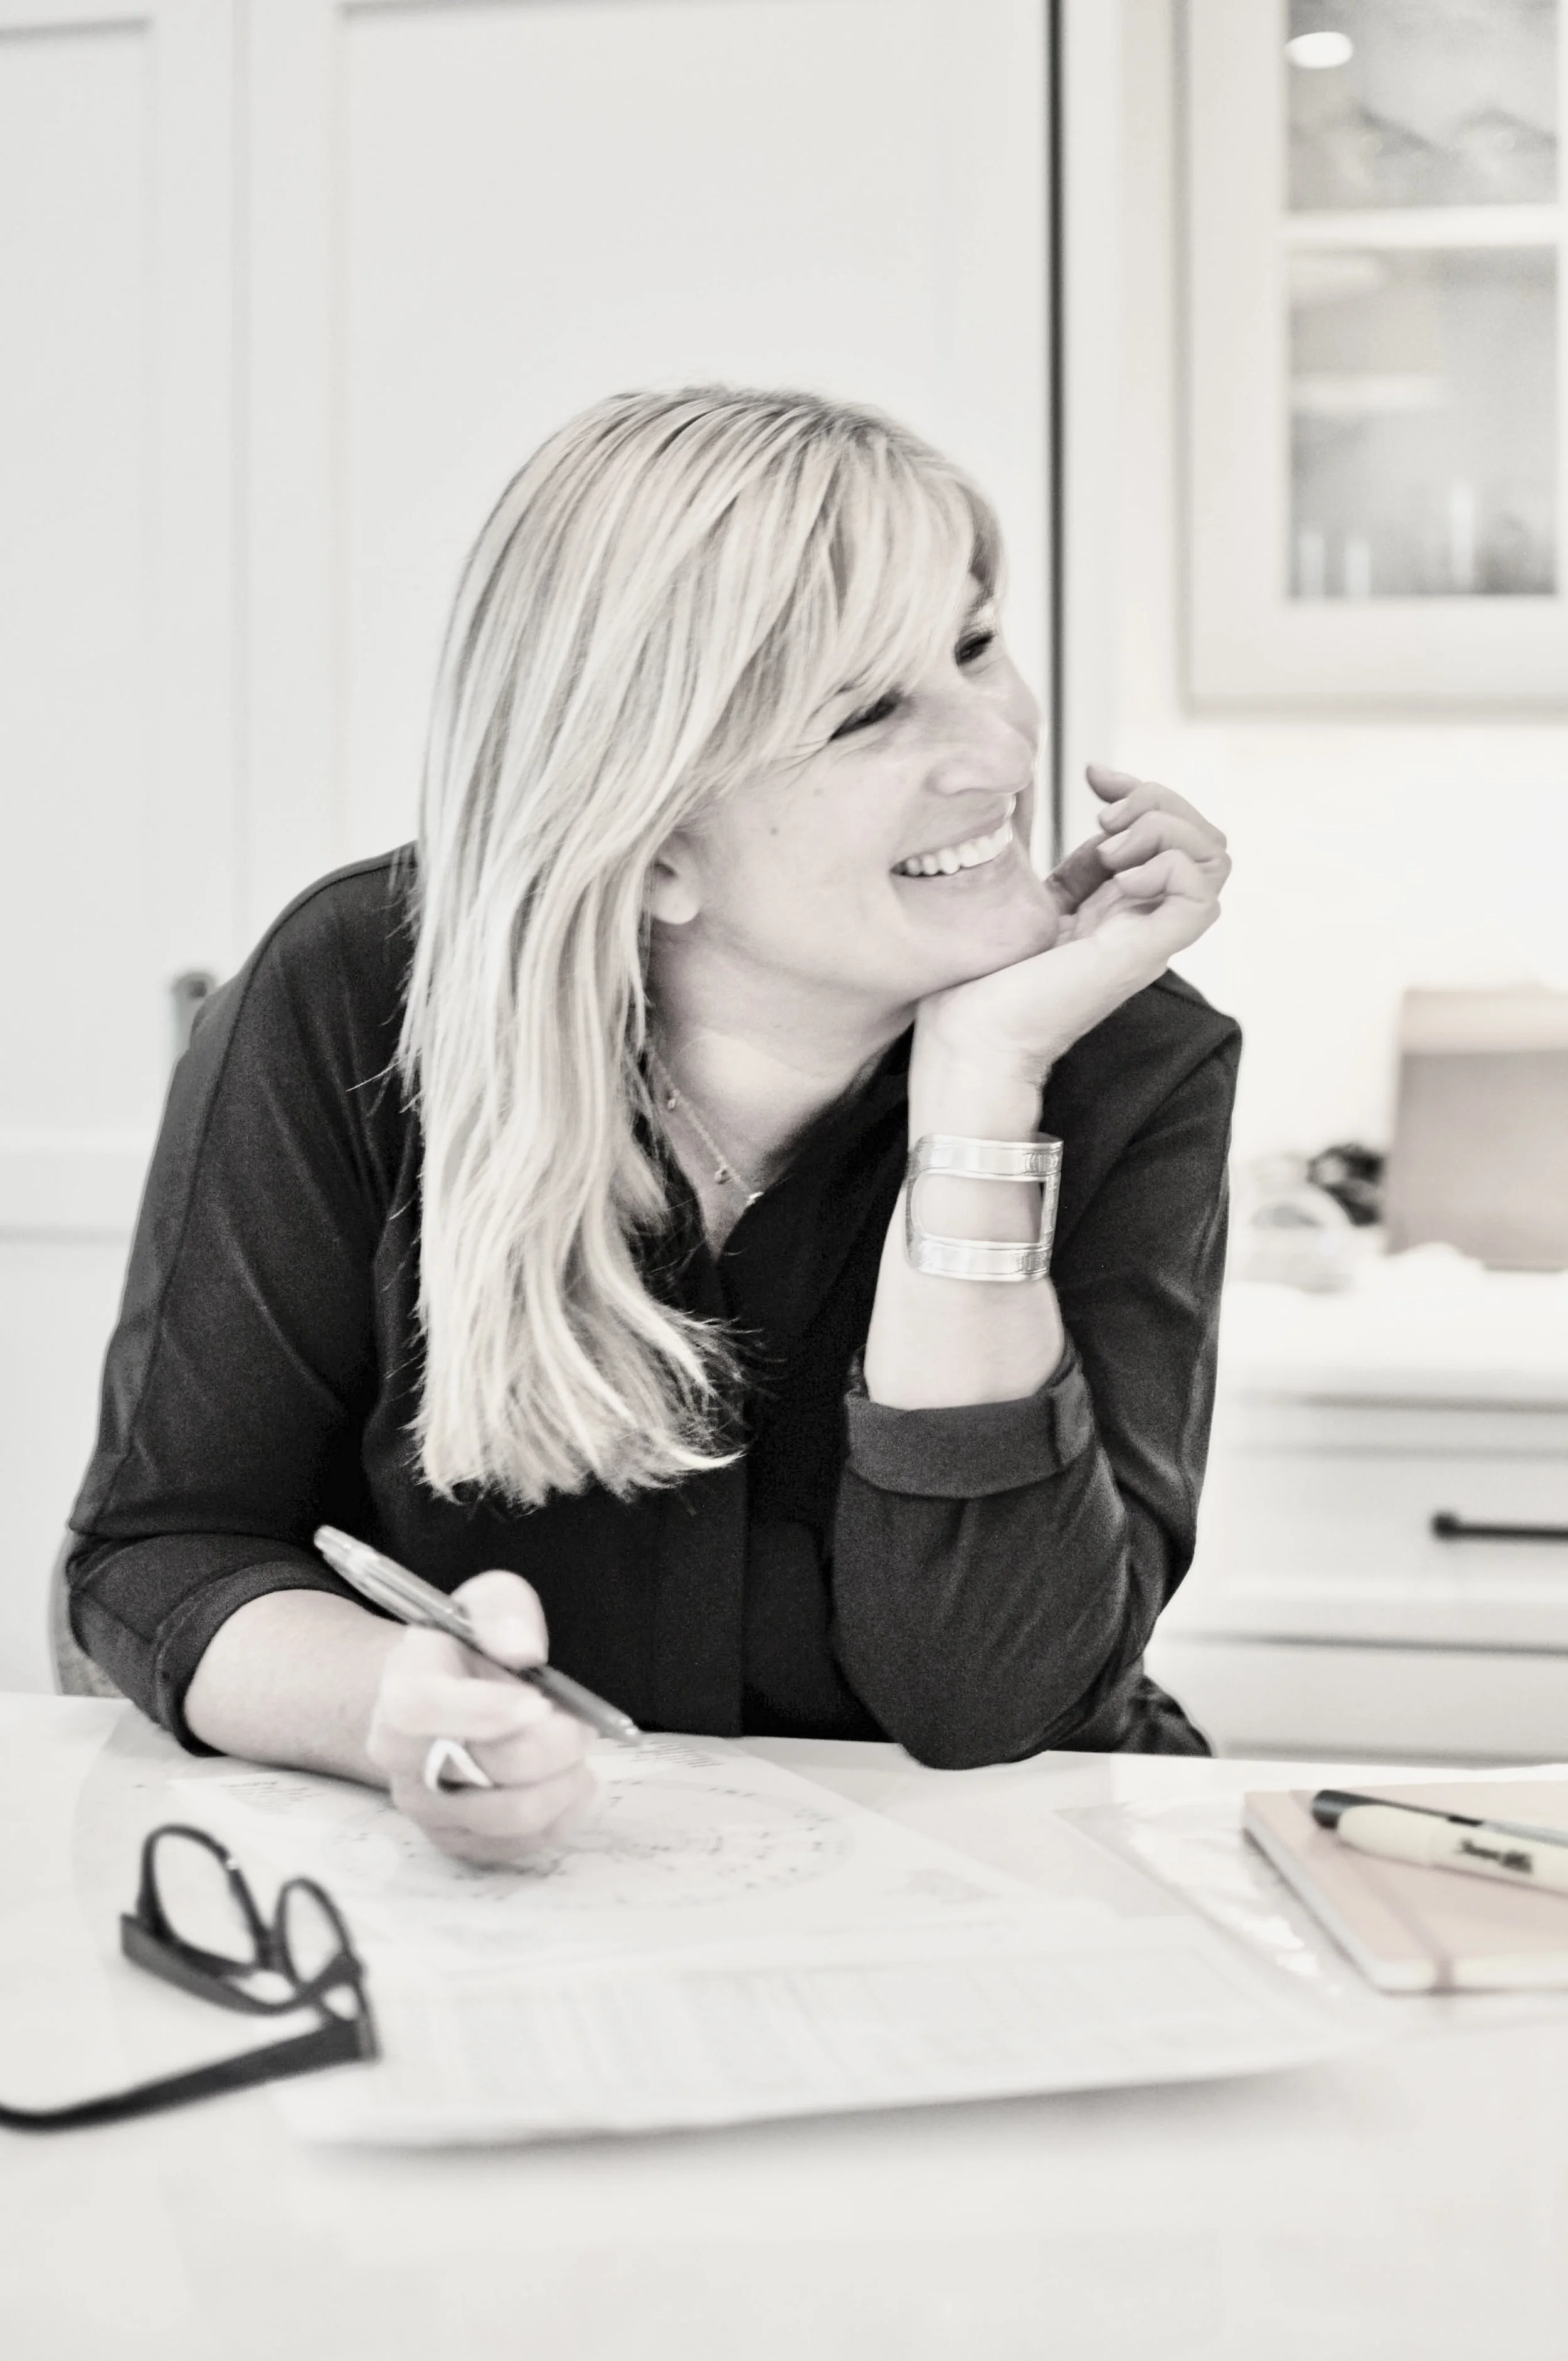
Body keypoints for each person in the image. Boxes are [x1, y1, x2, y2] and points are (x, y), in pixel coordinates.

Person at [67, 386, 1234, 1867]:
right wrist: (393, 1710)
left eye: (971, 644)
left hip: (1004, 1886)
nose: (1000, 752)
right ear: (655, 846)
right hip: (529, 1903)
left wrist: (981, 1093)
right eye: (867, 712)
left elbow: (985, 1700)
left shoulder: (1122, 1057)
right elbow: (161, 1552)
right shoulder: (356, 997)